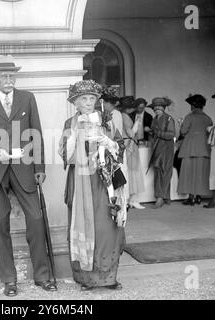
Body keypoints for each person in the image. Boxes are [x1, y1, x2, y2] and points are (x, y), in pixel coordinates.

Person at [0, 55, 56, 296]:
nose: (9, 79)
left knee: (36, 220)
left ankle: (42, 276)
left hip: (24, 168)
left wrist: (39, 168)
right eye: (4, 76)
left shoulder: (28, 99)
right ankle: (9, 280)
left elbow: (36, 133)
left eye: (12, 75)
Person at [58, 80, 126, 291]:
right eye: (83, 99)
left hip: (103, 181)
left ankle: (108, 276)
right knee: (85, 225)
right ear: (76, 103)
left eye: (91, 98)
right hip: (80, 181)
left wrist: (108, 143)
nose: (88, 102)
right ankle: (87, 278)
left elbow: (120, 148)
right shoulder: (70, 123)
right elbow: (64, 154)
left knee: (107, 226)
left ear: (97, 101)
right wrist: (75, 138)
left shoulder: (107, 121)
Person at [177, 94, 213, 205]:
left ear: (193, 105)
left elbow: (183, 131)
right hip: (204, 148)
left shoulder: (189, 117)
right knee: (200, 172)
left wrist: (181, 124)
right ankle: (198, 196)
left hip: (190, 147)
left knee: (189, 172)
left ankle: (191, 197)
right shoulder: (208, 118)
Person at [148, 97, 176, 209]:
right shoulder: (155, 119)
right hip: (156, 148)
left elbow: (170, 135)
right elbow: (152, 133)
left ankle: (161, 198)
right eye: (155, 108)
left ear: (164, 108)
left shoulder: (169, 119)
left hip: (166, 148)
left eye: (159, 107)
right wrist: (150, 134)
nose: (157, 109)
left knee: (165, 171)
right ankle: (164, 197)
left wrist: (157, 132)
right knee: (158, 172)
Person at [121, 96, 146, 209]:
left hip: (129, 145)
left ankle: (130, 199)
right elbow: (131, 133)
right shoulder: (125, 117)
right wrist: (136, 125)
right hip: (130, 145)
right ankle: (132, 199)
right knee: (133, 171)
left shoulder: (123, 115)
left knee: (131, 171)